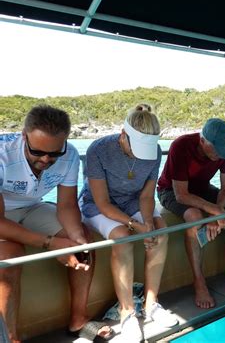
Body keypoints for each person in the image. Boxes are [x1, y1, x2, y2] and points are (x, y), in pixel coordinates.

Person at [0, 105, 114, 343]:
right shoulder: (2, 154)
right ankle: (10, 338)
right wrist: (51, 243)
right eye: (37, 151)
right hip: (3, 213)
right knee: (10, 257)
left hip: (31, 206)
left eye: (54, 154)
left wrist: (77, 240)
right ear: (24, 136)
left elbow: (67, 206)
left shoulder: (71, 155)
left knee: (83, 240)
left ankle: (78, 320)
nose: (45, 159)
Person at [79, 105, 177, 342]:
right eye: (136, 148)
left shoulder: (154, 152)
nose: (141, 155)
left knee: (161, 231)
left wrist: (148, 224)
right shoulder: (99, 150)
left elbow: (145, 196)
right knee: (123, 237)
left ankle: (151, 305)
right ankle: (127, 312)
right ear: (123, 135)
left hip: (132, 201)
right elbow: (102, 203)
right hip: (97, 205)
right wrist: (137, 226)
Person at [157, 118, 225, 309]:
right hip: (171, 191)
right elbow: (181, 195)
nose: (220, 154)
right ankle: (199, 281)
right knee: (194, 217)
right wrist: (214, 209)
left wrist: (214, 215)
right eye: (216, 149)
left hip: (202, 188)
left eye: (223, 150)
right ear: (203, 141)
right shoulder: (181, 146)